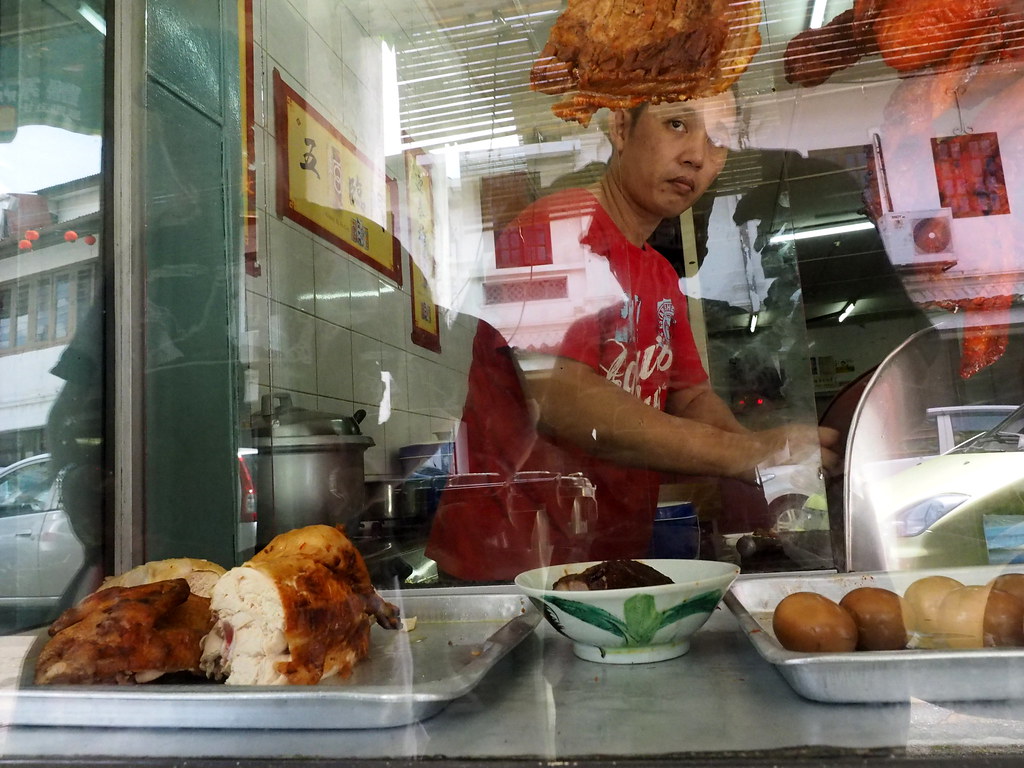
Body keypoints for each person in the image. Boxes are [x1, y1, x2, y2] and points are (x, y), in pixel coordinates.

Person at [425, 91, 840, 581]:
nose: (697, 155)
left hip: (605, 559)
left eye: (719, 140)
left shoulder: (660, 273)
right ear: (621, 128)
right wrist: (744, 454)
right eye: (678, 125)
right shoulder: (549, 231)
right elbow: (562, 399)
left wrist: (772, 473)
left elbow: (690, 396)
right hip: (507, 565)